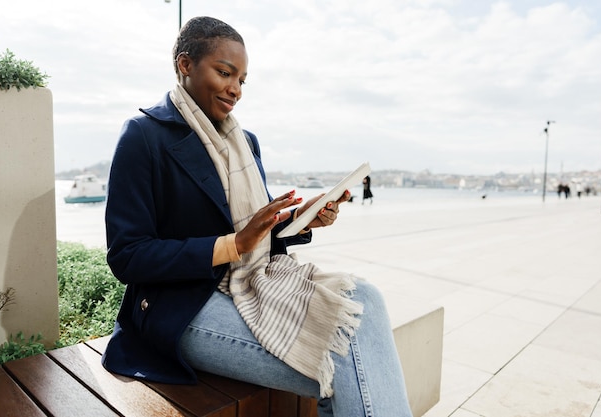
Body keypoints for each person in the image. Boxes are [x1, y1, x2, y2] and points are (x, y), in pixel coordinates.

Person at [101, 16, 412, 417]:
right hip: (180, 307)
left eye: (242, 80)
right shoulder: (144, 135)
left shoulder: (244, 142)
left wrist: (302, 220)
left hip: (250, 284)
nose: (235, 89)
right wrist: (233, 245)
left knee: (366, 298)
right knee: (348, 360)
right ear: (185, 64)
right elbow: (128, 256)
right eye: (225, 73)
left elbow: (256, 231)